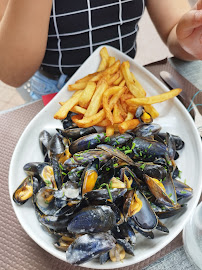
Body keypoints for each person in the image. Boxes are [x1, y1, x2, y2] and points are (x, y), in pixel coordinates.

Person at [0, 0, 201, 100]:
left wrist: (189, 37)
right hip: (56, 88)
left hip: (122, 83)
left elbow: (174, 28)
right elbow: (12, 72)